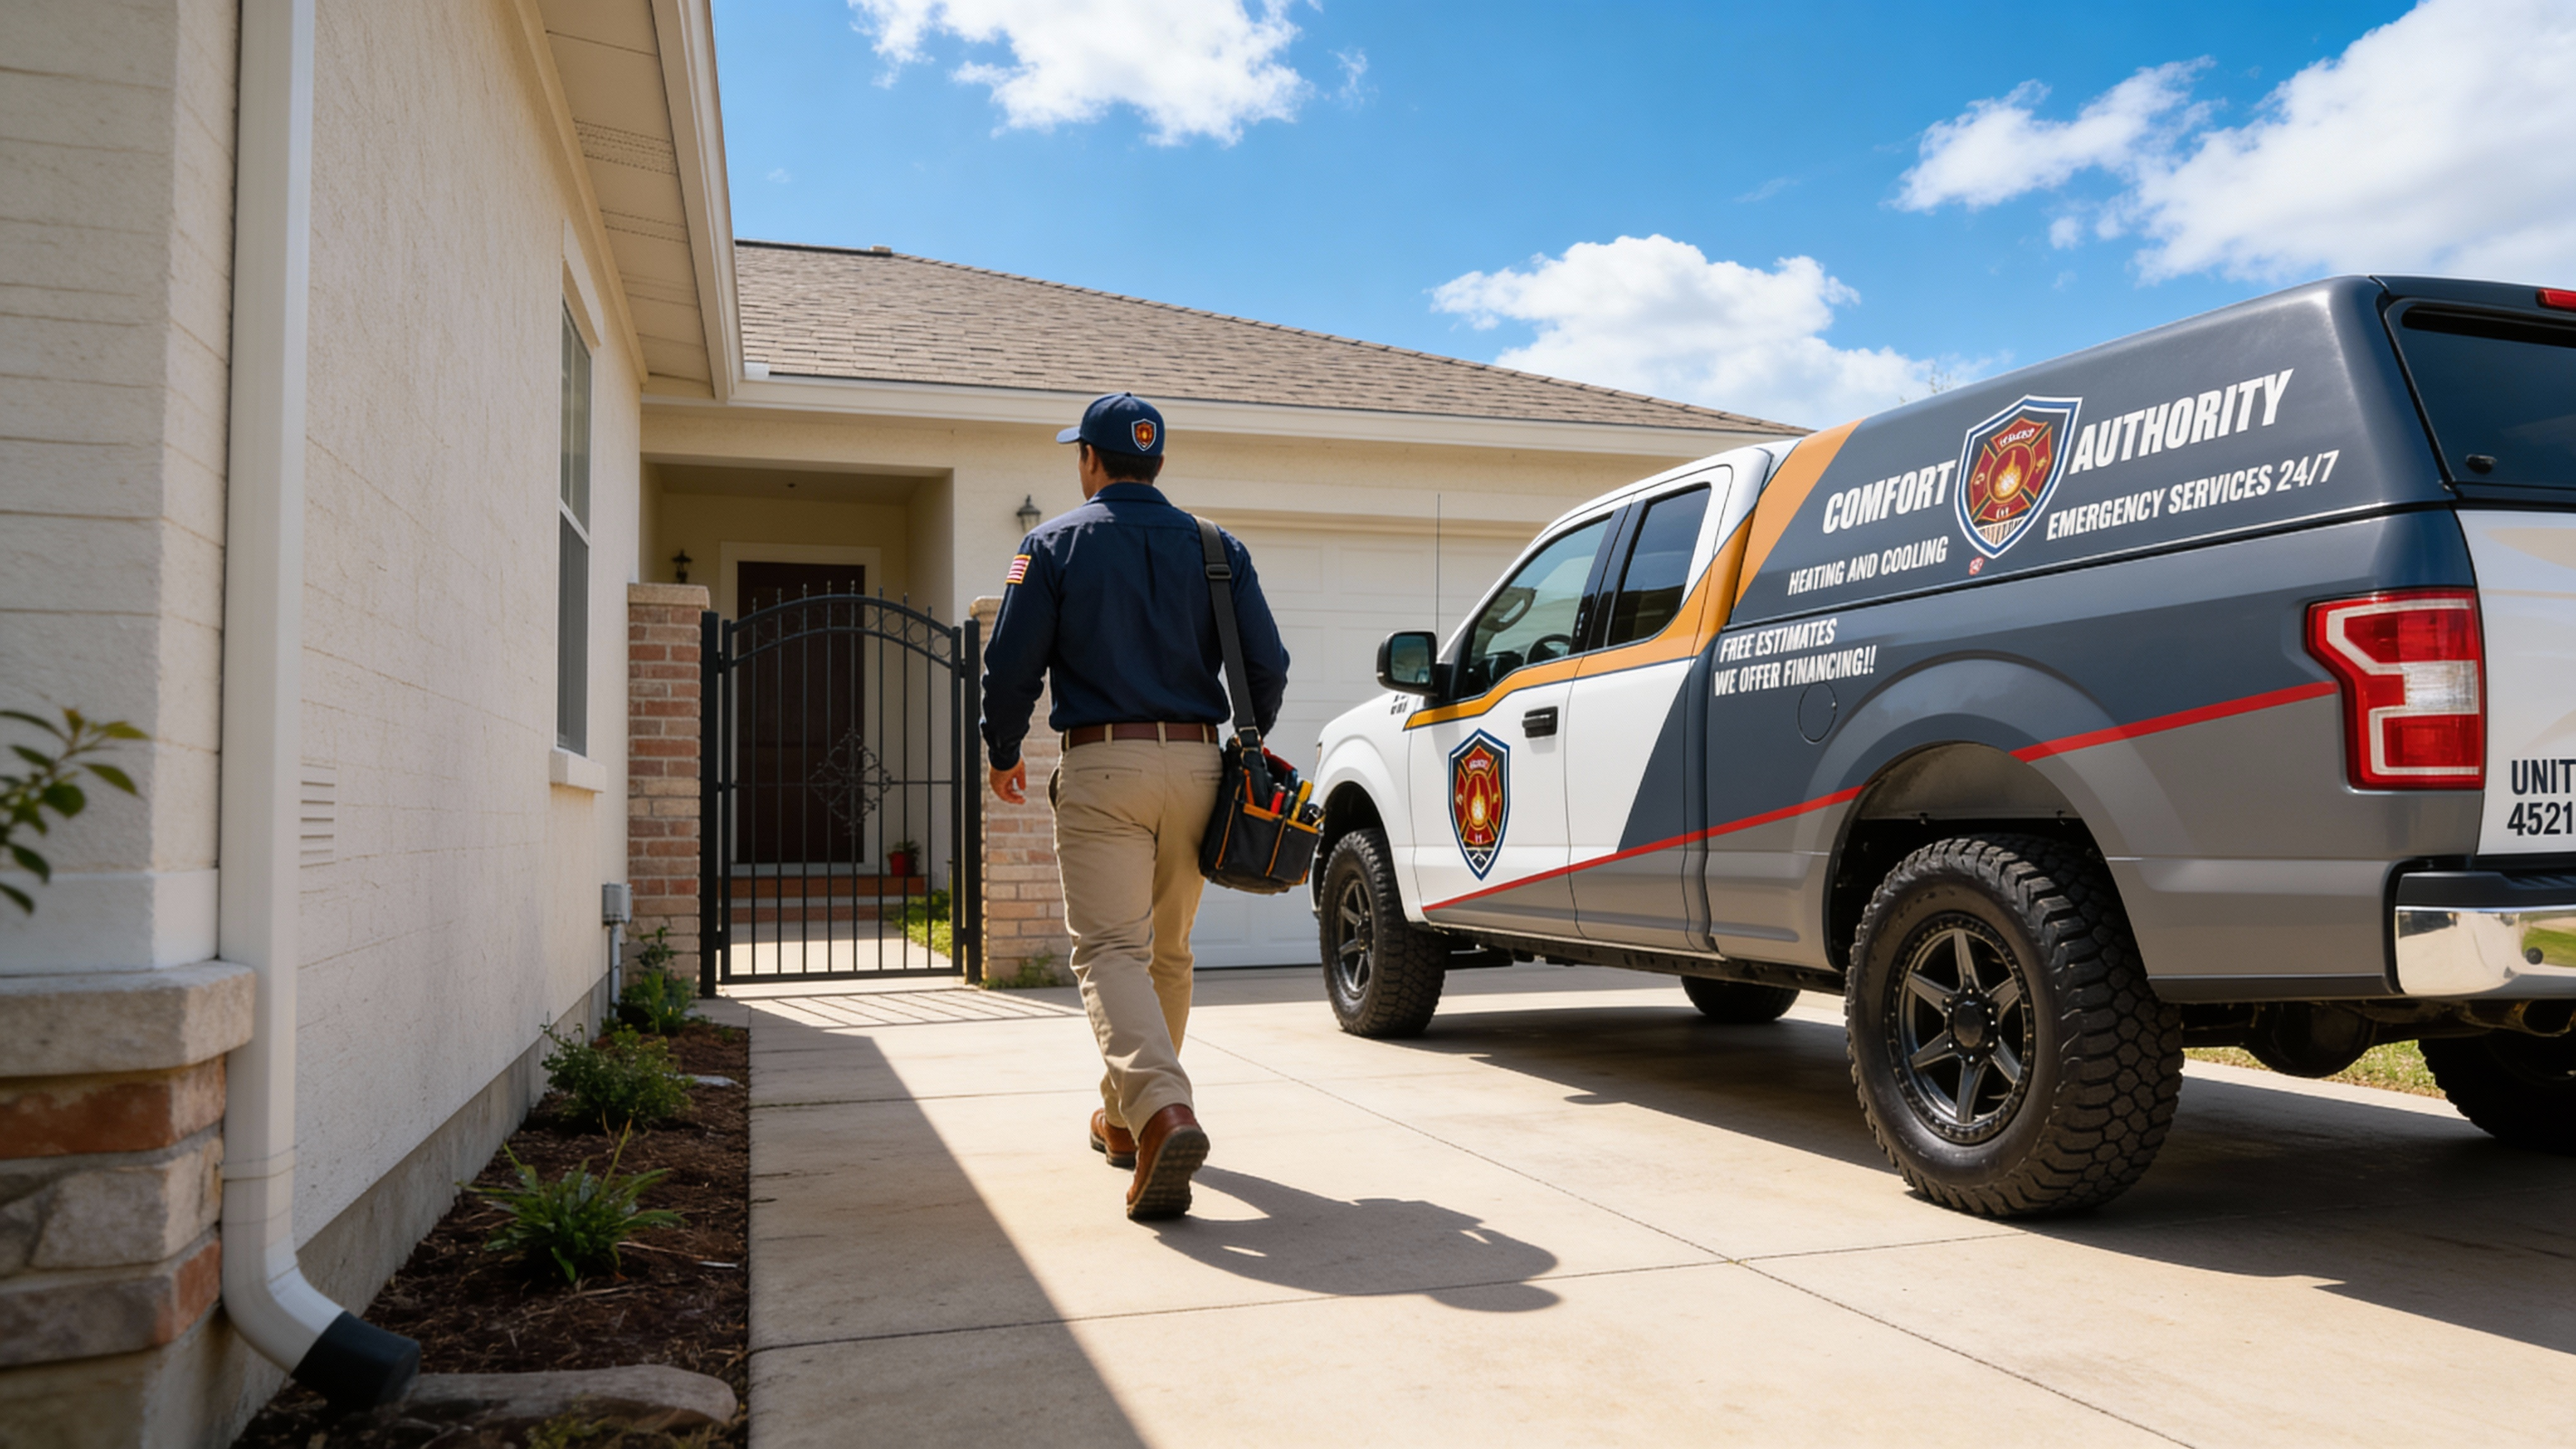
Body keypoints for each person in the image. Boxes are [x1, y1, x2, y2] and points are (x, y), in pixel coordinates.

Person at [982, 392, 1291, 1221]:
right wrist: (1235, 748)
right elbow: (1268, 668)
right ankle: (1123, 1121)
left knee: (1109, 952)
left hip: (1103, 765)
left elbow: (1012, 664)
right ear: (1156, 462)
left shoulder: (1051, 544)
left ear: (1090, 459)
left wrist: (1003, 748)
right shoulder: (1216, 546)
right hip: (1198, 766)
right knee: (1168, 956)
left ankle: (1161, 1112)